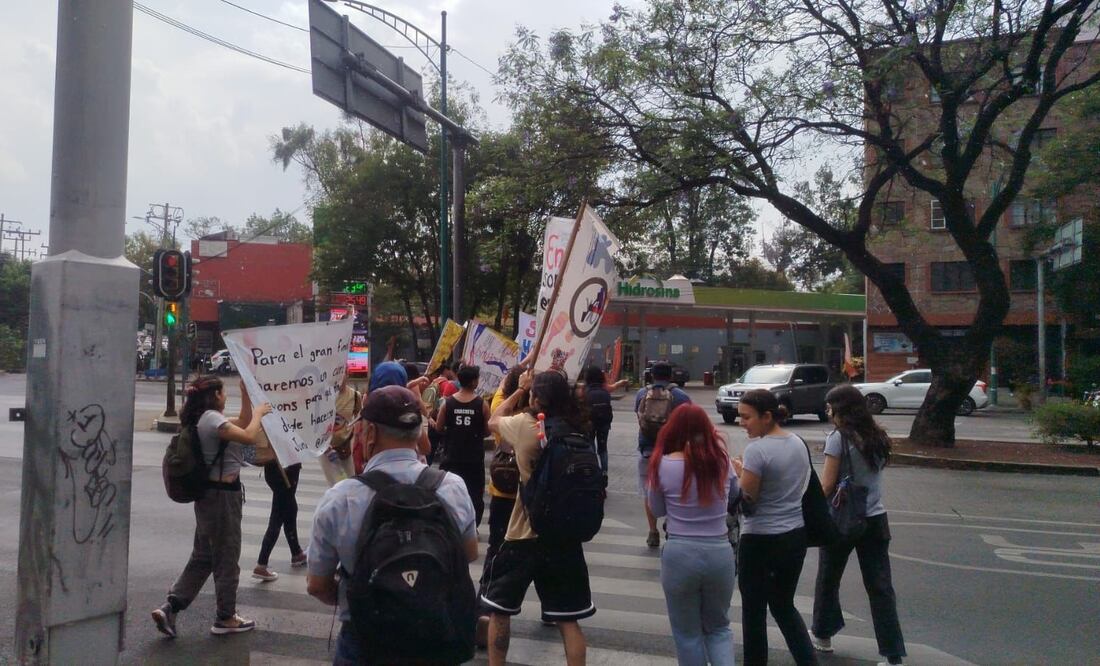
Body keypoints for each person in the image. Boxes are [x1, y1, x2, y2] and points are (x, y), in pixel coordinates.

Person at [306, 385, 479, 663]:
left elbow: (317, 584)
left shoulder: (341, 498)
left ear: (370, 432)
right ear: (418, 431)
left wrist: (366, 595)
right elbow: (469, 553)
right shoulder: (452, 486)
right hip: (436, 638)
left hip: (366, 642)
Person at [483, 370, 595, 666]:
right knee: (568, 620)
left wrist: (519, 390)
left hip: (523, 533)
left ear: (536, 397)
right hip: (563, 536)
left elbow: (493, 419)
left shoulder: (526, 425)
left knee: (500, 610)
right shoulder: (578, 428)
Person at [152, 376, 272, 638]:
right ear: (215, 395)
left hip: (210, 497)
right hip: (221, 499)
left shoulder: (205, 418)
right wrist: (260, 413)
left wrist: (246, 395)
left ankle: (170, 607)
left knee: (203, 557)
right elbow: (249, 435)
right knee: (227, 557)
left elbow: (242, 423)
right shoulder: (211, 419)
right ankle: (226, 617)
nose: (225, 394)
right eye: (224, 391)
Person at [811, 384, 906, 666]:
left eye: (830, 407)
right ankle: (892, 654)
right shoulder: (877, 436)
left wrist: (809, 509)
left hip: (842, 519)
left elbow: (827, 485)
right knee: (880, 587)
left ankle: (823, 636)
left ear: (840, 409)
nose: (828, 412)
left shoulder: (837, 439)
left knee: (828, 579)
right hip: (875, 518)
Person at [647, 403, 740, 666]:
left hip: (680, 553)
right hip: (720, 552)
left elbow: (657, 509)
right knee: (719, 628)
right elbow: (734, 496)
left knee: (687, 634)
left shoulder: (662, 465)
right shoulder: (722, 462)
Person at [732, 389, 818, 666]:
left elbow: (748, 503)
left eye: (746, 417)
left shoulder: (757, 450)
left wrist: (739, 475)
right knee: (783, 605)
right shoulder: (797, 442)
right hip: (794, 535)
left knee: (753, 611)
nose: (742, 423)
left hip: (760, 539)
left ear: (767, 416)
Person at [635, 361, 691, 547]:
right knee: (674, 491)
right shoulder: (681, 396)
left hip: (647, 450)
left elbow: (640, 419)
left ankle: (652, 531)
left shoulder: (642, 394)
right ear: (671, 376)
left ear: (651, 375)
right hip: (673, 452)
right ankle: (671, 526)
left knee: (648, 491)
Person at [435, 363, 491, 526]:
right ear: (474, 382)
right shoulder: (482, 404)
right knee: (474, 495)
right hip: (474, 459)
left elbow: (439, 427)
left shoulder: (448, 403)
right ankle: (472, 525)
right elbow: (488, 431)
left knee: (448, 493)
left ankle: (449, 523)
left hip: (451, 457)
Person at [251, 433, 306, 582]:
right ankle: (261, 564)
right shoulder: (283, 419)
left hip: (277, 467)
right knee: (278, 516)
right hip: (284, 469)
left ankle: (296, 553)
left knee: (290, 508)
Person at [582, 365, 628, 474]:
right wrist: (621, 382)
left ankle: (593, 469)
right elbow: (614, 386)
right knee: (603, 449)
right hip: (604, 423)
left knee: (590, 445)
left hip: (590, 423)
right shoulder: (604, 389)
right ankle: (604, 472)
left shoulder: (585, 390)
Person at [320, 375, 360, 486]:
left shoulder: (355, 396)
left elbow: (358, 419)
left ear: (347, 375)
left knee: (351, 480)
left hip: (346, 445)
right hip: (326, 448)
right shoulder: (323, 395)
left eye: (342, 374)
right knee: (334, 485)